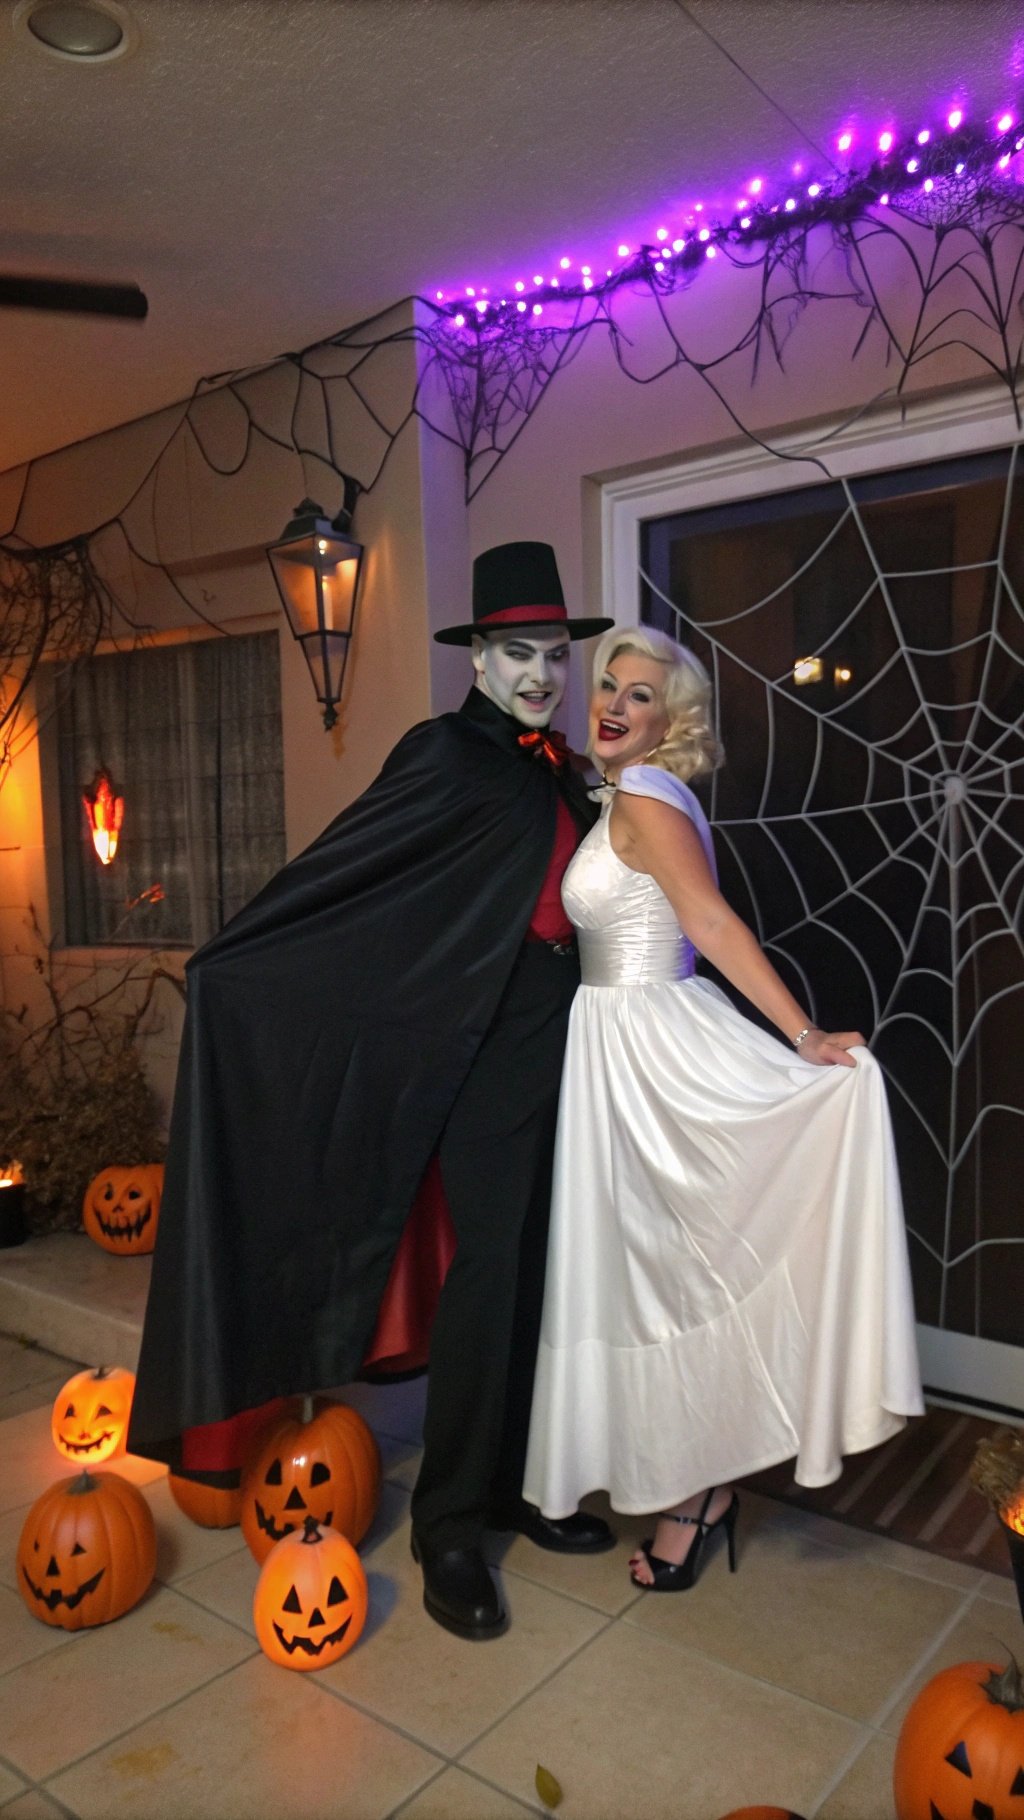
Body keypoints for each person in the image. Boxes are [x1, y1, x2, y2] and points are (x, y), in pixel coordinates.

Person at [127, 541, 615, 1640]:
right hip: (483, 1055)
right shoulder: (446, 756)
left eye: (553, 653)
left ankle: (522, 1487)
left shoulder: (559, 768)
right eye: (516, 652)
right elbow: (349, 878)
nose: (541, 672)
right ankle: (452, 1525)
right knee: (492, 1281)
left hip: (574, 1052)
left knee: (550, 1274)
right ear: (478, 657)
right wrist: (235, 963)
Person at [522, 623, 924, 1590]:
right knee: (661, 1279)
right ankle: (692, 1485)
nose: (614, 703)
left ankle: (697, 1495)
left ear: (672, 721)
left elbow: (707, 920)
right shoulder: (637, 793)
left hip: (650, 1049)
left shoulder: (649, 797)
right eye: (609, 685)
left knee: (670, 1278)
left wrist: (803, 1038)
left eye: (642, 695)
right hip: (624, 1047)